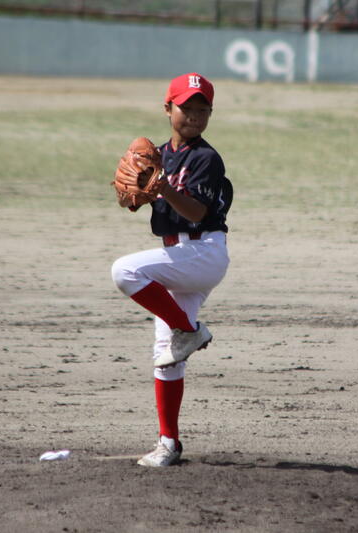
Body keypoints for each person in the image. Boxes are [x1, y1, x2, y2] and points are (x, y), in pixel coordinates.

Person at [110, 72, 233, 467]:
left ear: (210, 113)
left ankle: (188, 330)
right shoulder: (159, 156)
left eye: (202, 109)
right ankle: (169, 443)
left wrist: (162, 188)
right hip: (178, 257)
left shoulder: (205, 158)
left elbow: (195, 212)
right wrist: (133, 195)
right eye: (186, 107)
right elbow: (137, 198)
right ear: (168, 108)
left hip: (203, 252)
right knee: (166, 356)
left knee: (125, 271)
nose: (194, 116)